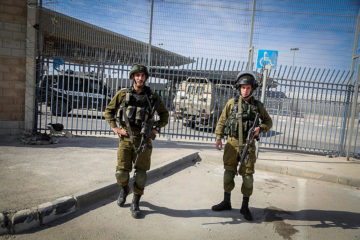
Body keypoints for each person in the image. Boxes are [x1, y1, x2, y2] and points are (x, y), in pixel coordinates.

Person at [104, 64, 169, 219]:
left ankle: (135, 201)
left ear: (146, 77)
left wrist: (155, 129)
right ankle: (124, 189)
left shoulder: (153, 97)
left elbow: (164, 116)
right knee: (121, 173)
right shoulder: (122, 94)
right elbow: (108, 112)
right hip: (126, 139)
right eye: (137, 75)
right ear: (133, 76)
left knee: (140, 175)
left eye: (143, 75)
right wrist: (116, 129)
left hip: (144, 139)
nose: (140, 78)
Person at [211, 70, 272, 221]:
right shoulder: (231, 104)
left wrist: (260, 128)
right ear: (239, 88)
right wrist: (219, 137)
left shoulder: (258, 106)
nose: (245, 90)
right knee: (228, 174)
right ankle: (226, 201)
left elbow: (268, 122)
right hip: (232, 142)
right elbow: (222, 121)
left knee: (248, 177)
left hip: (248, 145)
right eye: (243, 87)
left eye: (248, 88)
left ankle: (245, 206)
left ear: (252, 89)